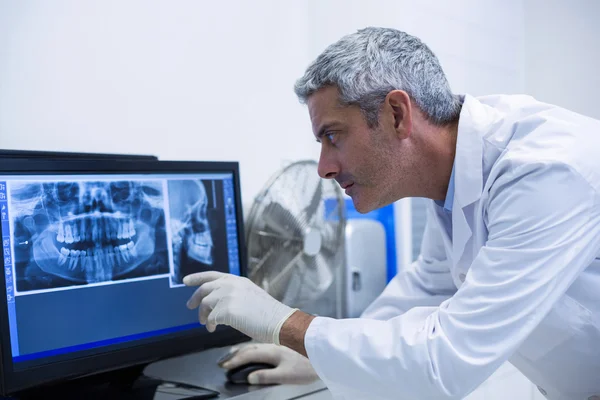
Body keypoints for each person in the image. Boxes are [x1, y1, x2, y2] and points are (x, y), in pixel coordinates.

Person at [183, 27, 600, 400]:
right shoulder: (456, 175)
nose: (324, 167)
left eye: (332, 136)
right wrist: (315, 356)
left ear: (397, 114)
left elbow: (443, 362)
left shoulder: (544, 171)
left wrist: (285, 323)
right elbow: (430, 284)